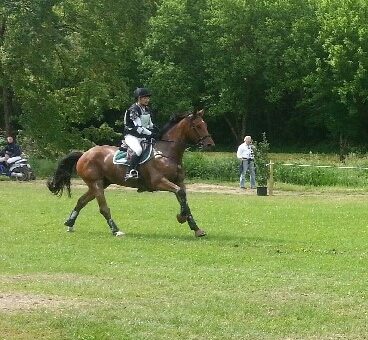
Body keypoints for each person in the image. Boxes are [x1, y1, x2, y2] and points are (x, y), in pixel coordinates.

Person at [123, 87, 157, 180]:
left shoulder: (147, 109)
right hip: (131, 136)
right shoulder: (133, 109)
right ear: (139, 98)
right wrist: (150, 133)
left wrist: (156, 130)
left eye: (148, 98)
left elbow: (150, 124)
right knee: (138, 150)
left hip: (143, 136)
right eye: (145, 98)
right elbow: (138, 127)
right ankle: (130, 171)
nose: (147, 100)